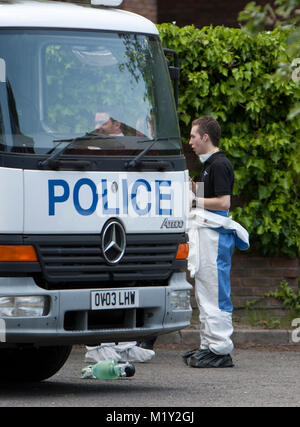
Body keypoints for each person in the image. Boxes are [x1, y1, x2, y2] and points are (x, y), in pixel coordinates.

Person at [184, 115, 237, 368]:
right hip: (207, 237)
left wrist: (194, 200)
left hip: (215, 239)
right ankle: (209, 344)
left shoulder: (219, 164)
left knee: (214, 292)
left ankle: (220, 348)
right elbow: (208, 195)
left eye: (194, 136)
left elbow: (223, 202)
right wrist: (189, 187)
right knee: (205, 292)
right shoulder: (209, 166)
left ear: (206, 137)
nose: (190, 141)